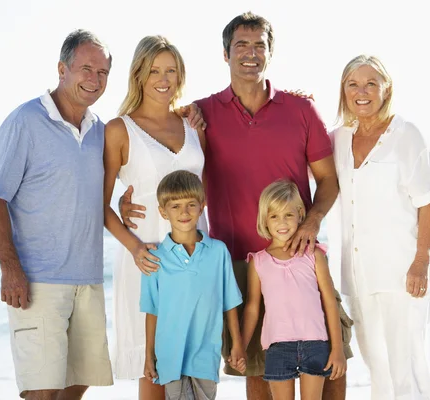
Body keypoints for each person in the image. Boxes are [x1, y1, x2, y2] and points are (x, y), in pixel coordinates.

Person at [119, 11, 354, 400]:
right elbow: (164, 157)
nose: (250, 53)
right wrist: (131, 199)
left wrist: (311, 224)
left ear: (270, 53)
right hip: (239, 262)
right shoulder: (199, 114)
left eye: (259, 45)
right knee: (260, 368)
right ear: (225, 54)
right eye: (241, 46)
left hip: (299, 254)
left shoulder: (301, 111)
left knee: (332, 359)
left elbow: (328, 180)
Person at [0, 29, 114, 399]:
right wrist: (10, 268)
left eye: (102, 72)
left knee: (80, 382)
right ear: (62, 69)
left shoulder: (99, 130)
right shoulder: (25, 121)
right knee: (41, 391)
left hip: (88, 280)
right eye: (85, 68)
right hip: (38, 281)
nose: (94, 79)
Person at [331, 54, 430, 400]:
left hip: (404, 273)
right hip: (359, 276)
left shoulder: (407, 135)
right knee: (377, 369)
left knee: (407, 368)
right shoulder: (337, 139)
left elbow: (428, 202)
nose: (361, 92)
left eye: (370, 84)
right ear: (343, 90)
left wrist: (421, 260)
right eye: (353, 84)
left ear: (386, 88)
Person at [103, 35, 208, 400]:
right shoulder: (119, 130)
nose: (164, 79)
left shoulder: (193, 126)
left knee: (197, 359)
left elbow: (202, 194)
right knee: (154, 365)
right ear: (139, 75)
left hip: (196, 256)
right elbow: (97, 204)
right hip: (147, 256)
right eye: (154, 71)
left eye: (171, 71)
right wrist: (134, 247)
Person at [140, 170, 245, 400]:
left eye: (190, 204)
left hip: (206, 354)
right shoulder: (154, 258)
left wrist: (237, 344)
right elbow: (152, 311)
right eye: (175, 206)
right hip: (170, 356)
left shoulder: (218, 252)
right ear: (163, 211)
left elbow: (230, 304)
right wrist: (149, 355)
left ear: (202, 206)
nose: (184, 212)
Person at [242, 180, 347, 400]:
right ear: (265, 221)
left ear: (300, 214)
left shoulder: (314, 255)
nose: (282, 222)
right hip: (278, 347)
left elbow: (329, 303)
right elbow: (252, 307)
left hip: (316, 344)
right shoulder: (258, 262)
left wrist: (337, 350)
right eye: (274, 216)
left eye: (288, 215)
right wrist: (240, 346)